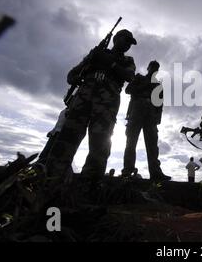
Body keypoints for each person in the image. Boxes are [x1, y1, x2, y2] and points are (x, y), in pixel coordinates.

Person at [46, 29, 137, 190]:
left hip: (106, 104)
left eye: (130, 43)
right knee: (67, 138)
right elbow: (71, 76)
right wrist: (90, 61)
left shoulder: (127, 60)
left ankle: (89, 185)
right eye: (125, 40)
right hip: (82, 99)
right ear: (116, 39)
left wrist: (110, 62)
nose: (127, 45)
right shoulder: (96, 54)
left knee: (100, 143)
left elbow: (129, 77)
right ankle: (51, 180)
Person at [123, 60, 171, 182]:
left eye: (157, 68)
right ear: (148, 67)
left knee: (153, 145)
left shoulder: (158, 85)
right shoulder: (139, 78)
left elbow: (160, 103)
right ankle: (128, 171)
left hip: (151, 115)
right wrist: (145, 86)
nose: (155, 69)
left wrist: (157, 118)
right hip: (136, 111)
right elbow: (128, 90)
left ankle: (155, 173)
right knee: (131, 142)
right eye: (153, 67)